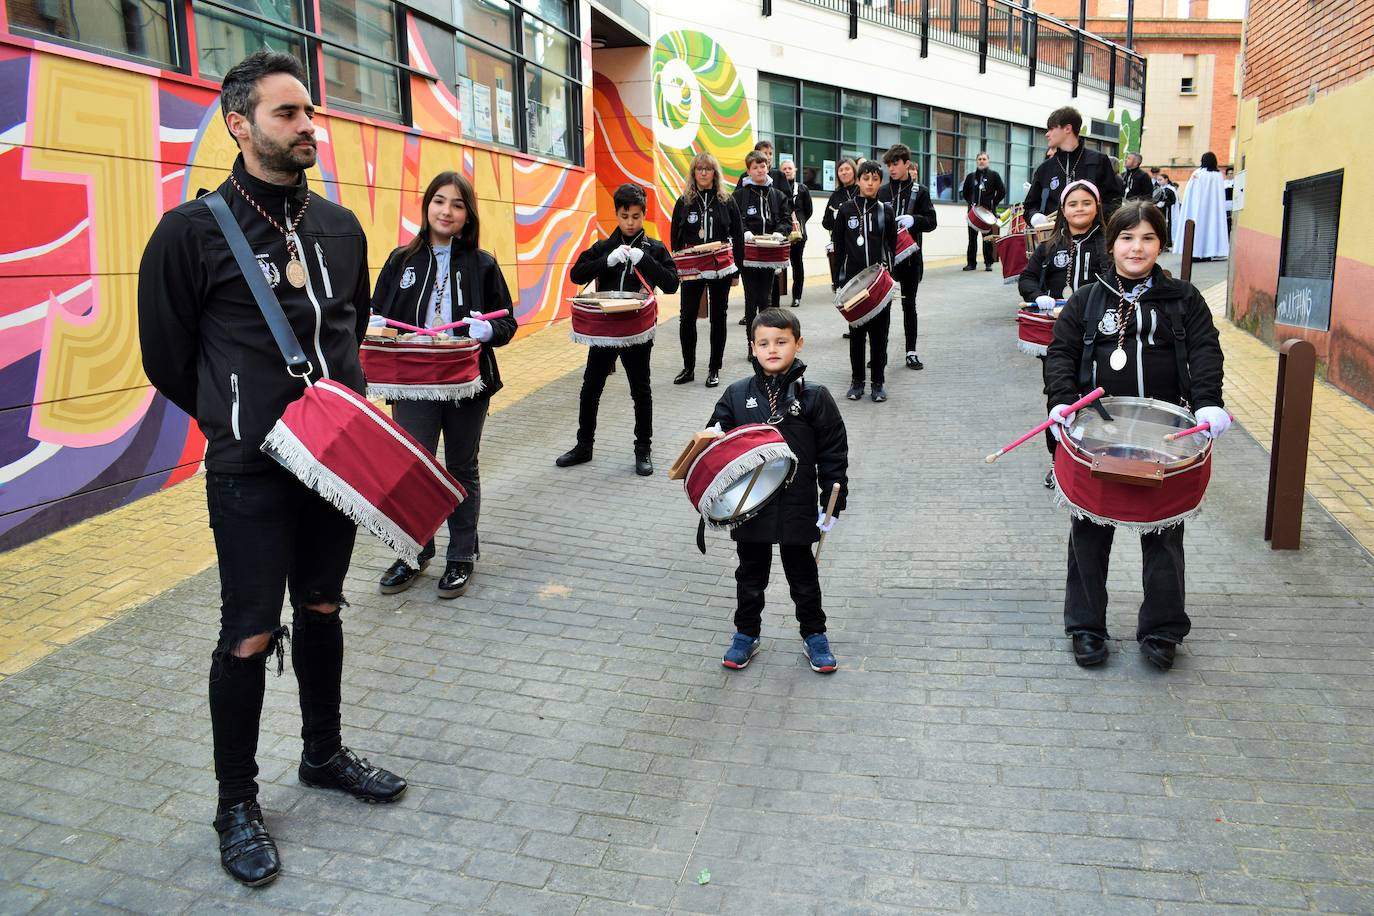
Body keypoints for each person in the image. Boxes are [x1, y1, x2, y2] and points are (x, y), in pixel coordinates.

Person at [137, 50, 406, 889]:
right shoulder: (192, 231)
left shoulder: (338, 226)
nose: (307, 127)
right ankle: (236, 802)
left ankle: (323, 754)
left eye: (308, 113)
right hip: (250, 471)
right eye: (288, 114)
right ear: (239, 123)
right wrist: (239, 419)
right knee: (250, 633)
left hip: (338, 466)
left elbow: (348, 332)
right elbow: (166, 360)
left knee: (322, 607)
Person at [1044, 200, 1229, 672]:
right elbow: (1061, 353)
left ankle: (1163, 631)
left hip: (1165, 439)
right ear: (1113, 243)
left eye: (1147, 238)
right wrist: (1062, 400)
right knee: (1088, 531)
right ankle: (1086, 627)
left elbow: (1206, 350)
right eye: (1127, 237)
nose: (1136, 247)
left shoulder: (1184, 298)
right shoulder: (1087, 298)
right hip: (1096, 435)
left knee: (1164, 533)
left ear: (1160, 245)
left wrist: (1208, 402)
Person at [368, 171, 518, 598]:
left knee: (460, 467)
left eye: (456, 204)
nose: (446, 211)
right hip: (412, 384)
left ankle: (461, 554)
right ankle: (414, 551)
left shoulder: (482, 263)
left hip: (465, 382)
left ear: (468, 214)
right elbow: (378, 314)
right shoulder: (400, 259)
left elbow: (506, 320)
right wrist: (376, 324)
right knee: (414, 468)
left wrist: (488, 332)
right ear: (426, 206)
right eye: (439, 201)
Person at [707, 307, 849, 673]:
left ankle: (814, 634)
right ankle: (745, 633)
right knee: (750, 575)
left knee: (803, 574)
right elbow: (714, 445)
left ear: (798, 344)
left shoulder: (815, 396)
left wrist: (833, 497)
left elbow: (834, 450)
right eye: (764, 343)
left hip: (798, 502)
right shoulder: (737, 395)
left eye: (781, 342)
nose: (773, 349)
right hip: (750, 503)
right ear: (753, 348)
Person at [557, 183, 680, 476]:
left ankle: (643, 450)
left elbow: (673, 284)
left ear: (644, 215)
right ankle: (583, 446)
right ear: (616, 214)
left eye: (636, 217)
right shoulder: (604, 246)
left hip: (637, 330)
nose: (630, 223)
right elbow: (576, 273)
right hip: (605, 330)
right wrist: (605, 261)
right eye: (624, 216)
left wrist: (645, 260)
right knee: (590, 389)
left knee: (641, 390)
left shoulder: (654, 248)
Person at [1018, 179, 1108, 487]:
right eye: (1073, 204)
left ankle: (1095, 462)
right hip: (1060, 340)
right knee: (1059, 398)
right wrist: (1036, 294)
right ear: (1063, 210)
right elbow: (1027, 279)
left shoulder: (1110, 244)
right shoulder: (1049, 246)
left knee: (1097, 398)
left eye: (1086, 203)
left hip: (1103, 338)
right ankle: (1059, 462)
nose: (1079, 209)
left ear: (1097, 207)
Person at [670, 152, 745, 389]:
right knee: (687, 317)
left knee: (718, 317)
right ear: (693, 173)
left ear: (715, 173)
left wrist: (736, 272)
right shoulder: (684, 201)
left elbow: (739, 238)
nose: (703, 173)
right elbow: (675, 238)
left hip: (720, 267)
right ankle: (689, 367)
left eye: (708, 169)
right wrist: (680, 267)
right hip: (692, 267)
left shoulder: (726, 200)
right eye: (699, 169)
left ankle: (714, 368)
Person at [831, 159, 898, 402]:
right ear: (858, 180)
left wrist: (892, 279)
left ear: (880, 182)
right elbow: (839, 248)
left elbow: (891, 246)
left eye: (875, 179)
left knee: (880, 336)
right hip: (853, 285)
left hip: (879, 284)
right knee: (857, 335)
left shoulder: (885, 210)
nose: (870, 183)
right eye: (865, 178)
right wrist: (837, 280)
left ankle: (878, 383)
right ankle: (857, 382)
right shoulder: (846, 210)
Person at [878, 143, 938, 371]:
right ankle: (880, 352)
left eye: (896, 164)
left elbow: (932, 221)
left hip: (911, 259)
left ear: (906, 164)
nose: (892, 169)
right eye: (889, 165)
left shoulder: (919, 191)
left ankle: (911, 352)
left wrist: (915, 220)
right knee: (883, 308)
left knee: (909, 305)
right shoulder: (882, 191)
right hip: (887, 259)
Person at [732, 151, 792, 353]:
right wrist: (745, 232)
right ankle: (752, 347)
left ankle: (765, 344)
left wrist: (778, 233)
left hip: (769, 255)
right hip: (748, 255)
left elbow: (786, 220)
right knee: (751, 300)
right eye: (755, 167)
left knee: (766, 300)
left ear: (768, 167)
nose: (760, 170)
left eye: (763, 166)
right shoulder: (739, 195)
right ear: (748, 170)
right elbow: (735, 220)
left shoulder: (777, 195)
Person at [1023, 107, 1122, 225]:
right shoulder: (1045, 168)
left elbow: (1113, 202)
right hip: (1055, 239)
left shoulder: (1099, 161)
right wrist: (1035, 217)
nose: (1047, 134)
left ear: (1067, 129)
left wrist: (1090, 219)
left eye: (1051, 129)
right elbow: (1030, 206)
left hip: (1092, 239)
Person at [960, 151, 1006, 272]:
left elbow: (1002, 191)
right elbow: (965, 193)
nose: (981, 161)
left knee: (987, 238)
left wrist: (993, 204)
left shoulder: (994, 175)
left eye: (984, 159)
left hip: (987, 213)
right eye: (979, 159)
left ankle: (988, 263)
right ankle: (971, 263)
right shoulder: (971, 177)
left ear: (988, 161)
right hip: (973, 213)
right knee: (972, 239)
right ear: (976, 161)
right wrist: (971, 203)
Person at [1180, 152, 1229, 260]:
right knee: (1211, 228)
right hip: (1213, 210)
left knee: (1198, 228)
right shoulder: (1218, 175)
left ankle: (1196, 252)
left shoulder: (1198, 173)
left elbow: (1191, 192)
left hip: (1197, 208)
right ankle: (1211, 251)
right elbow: (1219, 195)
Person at [778, 158, 813, 307]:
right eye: (784, 169)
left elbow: (809, 210)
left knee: (797, 264)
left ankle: (796, 296)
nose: (787, 171)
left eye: (789, 168)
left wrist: (800, 222)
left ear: (795, 170)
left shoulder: (803, 188)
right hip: (781, 233)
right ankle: (774, 298)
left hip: (799, 234)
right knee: (777, 264)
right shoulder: (776, 189)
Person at [1151, 172, 1178, 251]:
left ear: (1166, 179)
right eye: (1158, 180)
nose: (1159, 181)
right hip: (1160, 211)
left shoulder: (1170, 190)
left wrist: (1165, 203)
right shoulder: (1158, 189)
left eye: (1160, 179)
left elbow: (1173, 201)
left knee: (1167, 225)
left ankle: (1168, 242)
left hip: (1168, 212)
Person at [1223, 165, 1235, 234]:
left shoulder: (1235, 182)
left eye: (1232, 173)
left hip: (1233, 204)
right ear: (1227, 175)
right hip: (1225, 205)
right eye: (1229, 173)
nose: (1231, 175)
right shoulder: (1224, 183)